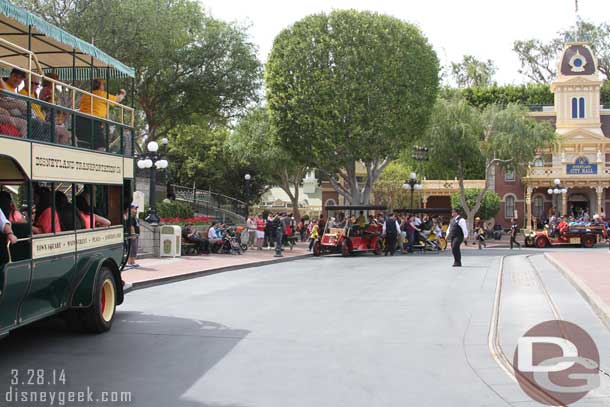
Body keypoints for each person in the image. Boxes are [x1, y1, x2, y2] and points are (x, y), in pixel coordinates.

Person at [78, 79, 126, 149]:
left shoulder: (85, 94)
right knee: (101, 147)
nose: (103, 86)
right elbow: (117, 100)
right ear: (100, 86)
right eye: (102, 84)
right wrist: (122, 94)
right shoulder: (102, 94)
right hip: (93, 122)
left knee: (88, 145)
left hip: (80, 121)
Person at [125, 203, 140, 268]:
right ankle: (129, 262)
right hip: (132, 235)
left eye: (136, 208)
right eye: (135, 208)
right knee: (131, 248)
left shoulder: (134, 217)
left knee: (134, 249)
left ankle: (132, 262)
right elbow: (131, 226)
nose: (136, 210)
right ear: (130, 209)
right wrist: (133, 234)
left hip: (135, 235)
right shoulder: (130, 217)